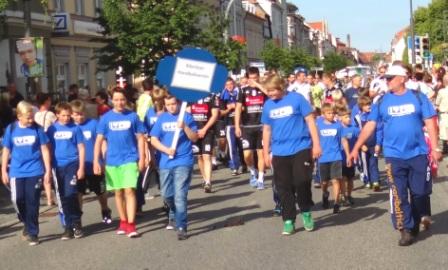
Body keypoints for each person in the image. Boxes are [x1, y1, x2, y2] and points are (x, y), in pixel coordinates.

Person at [348, 65, 441, 246]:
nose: (387, 81)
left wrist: (436, 149)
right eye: (387, 78)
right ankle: (406, 228)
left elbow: (430, 122)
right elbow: (370, 125)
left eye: (391, 78)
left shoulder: (418, 97)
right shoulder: (382, 101)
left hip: (418, 153)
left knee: (419, 192)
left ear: (402, 78)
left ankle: (414, 220)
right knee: (398, 194)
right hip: (393, 155)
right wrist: (356, 147)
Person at [261, 74, 321, 235]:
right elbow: (266, 129)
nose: (270, 94)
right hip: (279, 151)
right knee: (283, 187)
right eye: (268, 91)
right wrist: (265, 153)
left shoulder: (297, 99)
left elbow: (310, 121)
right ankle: (289, 219)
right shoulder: (267, 105)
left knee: (302, 181)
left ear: (281, 87)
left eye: (272, 90)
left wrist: (316, 144)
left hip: (301, 147)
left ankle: (306, 211)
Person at [93, 87, 146, 238]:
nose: (119, 102)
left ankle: (131, 224)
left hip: (129, 158)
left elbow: (140, 138)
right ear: (112, 100)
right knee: (118, 192)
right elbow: (98, 141)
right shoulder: (105, 118)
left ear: (126, 100)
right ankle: (122, 221)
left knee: (129, 190)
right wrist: (97, 161)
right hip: (112, 161)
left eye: (122, 99)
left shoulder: (133, 117)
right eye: (116, 99)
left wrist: (142, 158)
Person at [1, 101, 51, 246]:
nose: (31, 120)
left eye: (32, 117)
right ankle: (25, 220)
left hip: (34, 170)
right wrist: (4, 170)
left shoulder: (37, 129)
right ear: (19, 116)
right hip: (16, 171)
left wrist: (47, 170)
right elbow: (6, 150)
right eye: (28, 118)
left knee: (33, 202)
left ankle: (33, 232)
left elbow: (44, 150)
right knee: (17, 199)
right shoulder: (11, 129)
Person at [150, 95, 198, 240]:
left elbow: (194, 138)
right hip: (166, 162)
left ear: (178, 103)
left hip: (183, 161)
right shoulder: (162, 119)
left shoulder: (187, 117)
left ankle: (182, 226)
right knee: (166, 194)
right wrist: (165, 150)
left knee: (180, 195)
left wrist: (184, 127)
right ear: (165, 105)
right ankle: (172, 211)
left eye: (173, 104)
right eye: (168, 104)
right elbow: (153, 139)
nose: (171, 107)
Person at [47, 102, 85, 240]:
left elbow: (81, 148)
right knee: (62, 196)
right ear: (57, 115)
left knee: (70, 193)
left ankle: (76, 222)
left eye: (68, 115)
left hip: (72, 164)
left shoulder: (75, 128)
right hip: (57, 166)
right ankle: (68, 227)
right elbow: (48, 148)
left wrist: (80, 167)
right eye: (63, 116)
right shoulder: (51, 129)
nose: (67, 118)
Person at [70, 100, 112, 224]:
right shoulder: (71, 127)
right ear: (71, 114)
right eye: (76, 114)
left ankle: (105, 209)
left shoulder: (94, 124)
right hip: (79, 166)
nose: (79, 117)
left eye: (81, 114)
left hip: (95, 164)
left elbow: (103, 142)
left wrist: (104, 160)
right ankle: (78, 218)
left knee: (100, 191)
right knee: (78, 192)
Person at [235, 67, 266, 189]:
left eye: (255, 78)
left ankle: (261, 179)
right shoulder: (242, 91)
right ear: (247, 79)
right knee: (247, 155)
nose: (253, 80)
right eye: (251, 78)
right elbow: (238, 108)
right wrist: (237, 125)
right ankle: (253, 171)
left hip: (261, 126)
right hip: (247, 126)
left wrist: (259, 86)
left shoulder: (263, 89)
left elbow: (270, 94)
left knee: (261, 153)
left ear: (258, 77)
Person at [316, 103, 351, 214]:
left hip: (336, 156)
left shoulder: (338, 126)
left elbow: (344, 140)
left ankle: (336, 203)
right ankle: (325, 193)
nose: (331, 115)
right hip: (323, 157)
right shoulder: (318, 125)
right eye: (329, 113)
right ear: (323, 114)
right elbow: (315, 140)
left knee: (336, 180)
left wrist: (348, 155)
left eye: (332, 113)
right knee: (325, 182)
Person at [189, 94, 219, 193]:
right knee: (199, 157)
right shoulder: (190, 96)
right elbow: (187, 113)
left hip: (208, 131)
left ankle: (208, 182)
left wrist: (205, 129)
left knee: (207, 156)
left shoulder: (211, 97)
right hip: (194, 132)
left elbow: (215, 115)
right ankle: (205, 178)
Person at [352, 96, 382, 191]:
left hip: (373, 144)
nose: (369, 106)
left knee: (373, 162)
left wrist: (378, 143)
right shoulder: (358, 118)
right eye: (366, 105)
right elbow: (355, 132)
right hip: (363, 145)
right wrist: (361, 145)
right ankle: (367, 180)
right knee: (365, 163)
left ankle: (375, 181)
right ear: (361, 106)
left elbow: (379, 130)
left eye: (369, 104)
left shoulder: (375, 116)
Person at [34, 92, 57, 206]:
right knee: (51, 169)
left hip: (38, 144)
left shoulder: (35, 115)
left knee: (44, 170)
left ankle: (48, 198)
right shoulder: (50, 114)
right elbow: (55, 128)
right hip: (49, 143)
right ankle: (56, 194)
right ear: (47, 100)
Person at [220, 78, 241, 176]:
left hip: (240, 123)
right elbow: (221, 112)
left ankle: (244, 164)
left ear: (234, 84)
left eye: (231, 84)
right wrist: (229, 109)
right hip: (229, 124)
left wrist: (236, 106)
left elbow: (244, 107)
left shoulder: (239, 93)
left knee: (241, 146)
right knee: (232, 146)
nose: (229, 86)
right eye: (227, 85)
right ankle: (234, 167)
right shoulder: (223, 96)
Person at [338, 108, 359, 205]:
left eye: (349, 116)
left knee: (350, 179)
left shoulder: (354, 129)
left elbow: (360, 138)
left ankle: (349, 195)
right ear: (340, 118)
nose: (349, 119)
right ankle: (343, 195)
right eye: (346, 117)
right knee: (342, 178)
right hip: (339, 157)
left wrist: (362, 146)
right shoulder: (337, 129)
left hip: (351, 157)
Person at [435, 74, 448, 153]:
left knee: (445, 135)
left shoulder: (442, 92)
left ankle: (445, 149)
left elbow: (437, 103)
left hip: (444, 115)